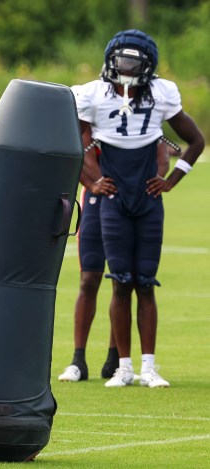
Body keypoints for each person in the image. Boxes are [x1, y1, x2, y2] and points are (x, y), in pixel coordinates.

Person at [71, 29, 204, 388]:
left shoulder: (162, 93)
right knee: (120, 282)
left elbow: (195, 140)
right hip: (112, 198)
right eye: (122, 62)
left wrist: (173, 179)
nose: (127, 70)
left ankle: (148, 366)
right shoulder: (92, 94)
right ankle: (124, 367)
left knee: (145, 281)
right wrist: (91, 182)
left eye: (134, 63)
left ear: (148, 67)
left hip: (147, 197)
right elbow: (74, 144)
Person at [58, 131, 172, 382]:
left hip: (130, 203)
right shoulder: (97, 113)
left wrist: (154, 179)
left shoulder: (143, 118)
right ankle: (78, 359)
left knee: (124, 279)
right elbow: (82, 154)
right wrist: (96, 181)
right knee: (89, 279)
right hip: (97, 200)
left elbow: (162, 155)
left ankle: (116, 358)